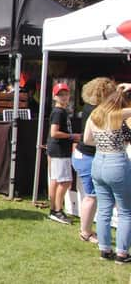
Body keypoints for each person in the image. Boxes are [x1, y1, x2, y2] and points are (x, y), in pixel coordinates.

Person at [84, 84, 131, 263]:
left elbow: (87, 139)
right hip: (116, 162)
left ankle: (105, 250)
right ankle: (122, 253)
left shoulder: (94, 114)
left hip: (98, 162)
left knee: (104, 210)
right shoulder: (118, 114)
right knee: (126, 211)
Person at [72, 77, 117, 243]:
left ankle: (87, 229)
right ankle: (85, 232)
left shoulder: (90, 107)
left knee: (93, 195)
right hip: (88, 156)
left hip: (84, 155)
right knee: (91, 196)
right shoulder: (97, 110)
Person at [47, 82, 80, 225]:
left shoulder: (61, 111)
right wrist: (72, 136)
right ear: (55, 97)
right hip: (59, 150)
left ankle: (54, 209)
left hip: (58, 149)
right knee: (65, 181)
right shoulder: (58, 112)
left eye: (66, 94)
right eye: (61, 95)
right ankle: (57, 211)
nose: (64, 97)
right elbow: (54, 132)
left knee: (56, 180)